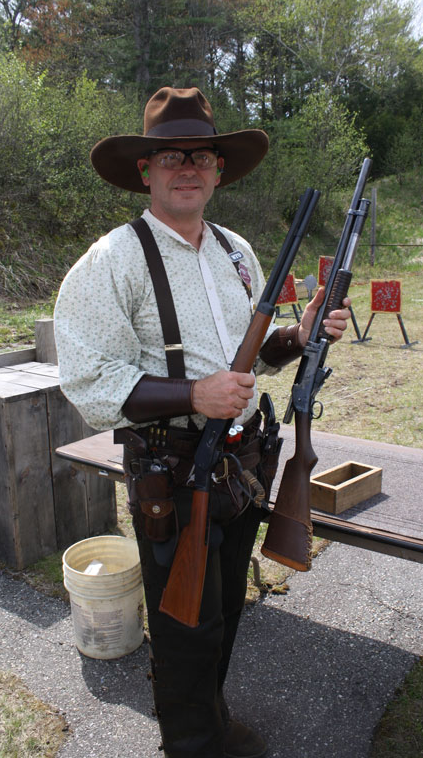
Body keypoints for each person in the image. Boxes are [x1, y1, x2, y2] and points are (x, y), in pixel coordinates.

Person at [53, 86, 351, 758]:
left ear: (220, 170)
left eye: (201, 155)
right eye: (170, 155)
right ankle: (191, 744)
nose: (186, 166)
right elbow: (90, 383)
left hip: (242, 466)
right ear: (145, 170)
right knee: (186, 626)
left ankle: (209, 721)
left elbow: (252, 357)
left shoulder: (236, 250)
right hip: (173, 471)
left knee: (222, 612)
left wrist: (297, 337)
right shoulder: (110, 262)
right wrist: (196, 392)